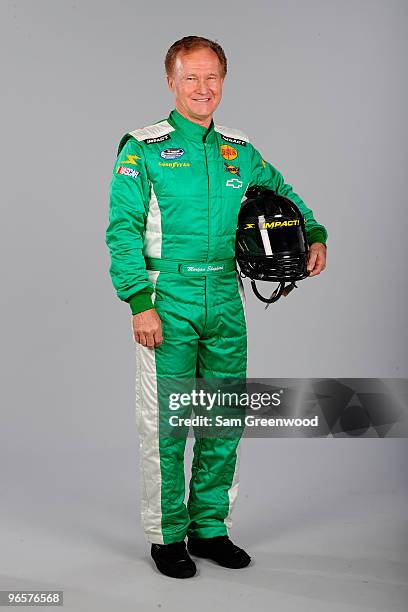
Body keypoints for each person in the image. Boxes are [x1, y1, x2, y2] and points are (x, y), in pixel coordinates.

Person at [105, 35, 327, 579]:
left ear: (223, 81)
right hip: (166, 298)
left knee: (224, 417)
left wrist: (314, 233)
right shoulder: (143, 147)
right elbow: (121, 231)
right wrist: (139, 302)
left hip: (225, 297)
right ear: (171, 82)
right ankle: (166, 537)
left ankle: (209, 528)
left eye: (212, 78)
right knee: (167, 423)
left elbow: (283, 193)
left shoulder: (238, 149)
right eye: (191, 78)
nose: (203, 89)